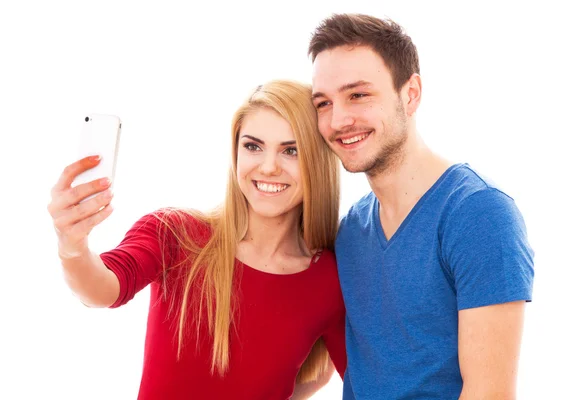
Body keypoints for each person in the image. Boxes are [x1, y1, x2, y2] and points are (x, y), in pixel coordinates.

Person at [47, 80, 346, 400]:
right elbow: (104, 289)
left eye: (291, 150)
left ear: (319, 161)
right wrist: (72, 247)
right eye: (253, 146)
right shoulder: (174, 234)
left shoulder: (330, 278)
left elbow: (344, 380)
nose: (268, 167)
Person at [308, 14, 535, 400]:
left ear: (410, 94)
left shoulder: (479, 215)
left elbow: (489, 393)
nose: (339, 119)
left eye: (358, 95)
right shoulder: (350, 231)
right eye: (323, 103)